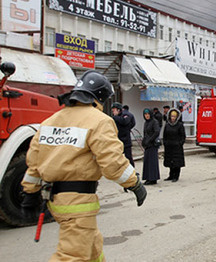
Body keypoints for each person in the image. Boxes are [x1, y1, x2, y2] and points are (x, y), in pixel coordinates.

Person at [20, 70, 146, 261]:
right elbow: (112, 162)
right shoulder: (99, 121)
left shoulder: (50, 121)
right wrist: (134, 183)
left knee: (93, 249)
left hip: (55, 198)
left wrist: (29, 193)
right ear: (100, 98)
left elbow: (35, 162)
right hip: (77, 204)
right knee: (72, 256)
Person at [163, 108, 186, 182]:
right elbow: (164, 135)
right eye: (171, 116)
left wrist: (180, 143)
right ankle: (170, 175)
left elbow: (183, 136)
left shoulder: (180, 125)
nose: (172, 118)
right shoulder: (167, 125)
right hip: (169, 146)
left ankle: (176, 176)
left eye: (174, 117)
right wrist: (165, 142)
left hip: (177, 146)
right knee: (170, 161)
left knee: (176, 162)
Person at [111, 102, 136, 167]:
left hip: (126, 141)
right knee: (118, 158)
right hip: (118, 141)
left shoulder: (125, 115)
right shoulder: (116, 118)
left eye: (114, 110)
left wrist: (115, 117)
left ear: (118, 110)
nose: (113, 112)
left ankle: (132, 171)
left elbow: (125, 122)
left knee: (128, 158)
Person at [142, 108, 161, 185]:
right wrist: (144, 141)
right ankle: (148, 177)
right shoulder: (146, 122)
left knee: (152, 162)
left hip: (152, 144)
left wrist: (150, 140)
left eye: (148, 114)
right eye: (145, 114)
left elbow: (156, 132)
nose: (147, 116)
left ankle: (153, 178)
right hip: (147, 145)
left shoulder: (154, 122)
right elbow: (145, 133)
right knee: (147, 161)